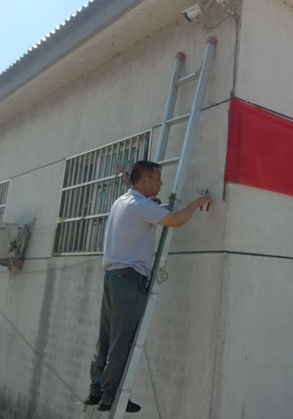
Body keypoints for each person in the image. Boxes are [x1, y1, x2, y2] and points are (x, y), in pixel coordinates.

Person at [82, 160, 212, 412]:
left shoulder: (122, 202)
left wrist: (152, 206)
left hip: (113, 276)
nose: (161, 183)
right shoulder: (140, 205)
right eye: (157, 178)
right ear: (144, 179)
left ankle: (96, 388)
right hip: (129, 278)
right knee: (123, 339)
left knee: (107, 337)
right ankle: (111, 395)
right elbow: (175, 220)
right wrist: (198, 202)